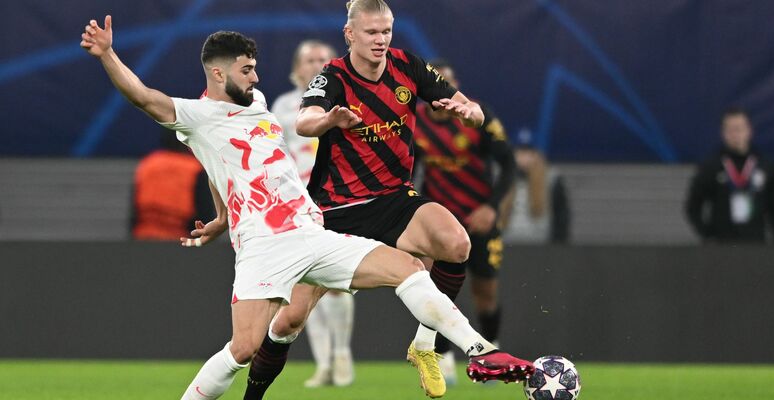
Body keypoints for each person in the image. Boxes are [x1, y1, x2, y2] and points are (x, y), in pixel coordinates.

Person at [80, 15, 532, 400]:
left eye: (255, 69)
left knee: (411, 269)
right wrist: (106, 55)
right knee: (243, 348)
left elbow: (228, 165)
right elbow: (142, 95)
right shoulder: (195, 116)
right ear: (218, 74)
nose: (256, 78)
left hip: (312, 230)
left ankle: (482, 352)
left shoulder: (254, 103)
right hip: (264, 246)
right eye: (247, 69)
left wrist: (220, 215)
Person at [244, 1, 515, 398]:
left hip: (393, 200)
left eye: (386, 31)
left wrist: (468, 113)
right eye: (372, 32)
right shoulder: (334, 75)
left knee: (456, 244)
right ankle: (252, 396)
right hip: (334, 210)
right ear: (350, 34)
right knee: (289, 322)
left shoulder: (408, 66)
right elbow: (304, 122)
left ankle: (425, 346)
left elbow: (469, 107)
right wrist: (329, 120)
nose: (381, 40)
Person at [411, 60, 515, 385]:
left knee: (485, 293)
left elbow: (508, 163)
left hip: (478, 218)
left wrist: (491, 207)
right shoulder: (413, 121)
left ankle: (491, 353)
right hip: (440, 220)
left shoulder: (477, 115)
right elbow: (408, 168)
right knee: (438, 290)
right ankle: (440, 357)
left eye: (449, 86)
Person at [271, 40, 356, 388]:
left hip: (338, 199)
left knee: (334, 284)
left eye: (324, 58)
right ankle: (323, 364)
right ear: (297, 68)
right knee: (303, 285)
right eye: (310, 59)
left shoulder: (347, 98)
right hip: (298, 205)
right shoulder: (283, 106)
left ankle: (342, 354)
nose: (318, 64)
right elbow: (274, 155)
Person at [685, 107, 774, 243]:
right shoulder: (711, 166)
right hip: (722, 245)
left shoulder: (765, 165)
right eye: (730, 130)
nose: (735, 134)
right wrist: (707, 234)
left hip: (756, 245)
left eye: (739, 128)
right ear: (723, 133)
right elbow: (692, 206)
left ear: (749, 130)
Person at [130, 129, 216, 240]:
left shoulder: (148, 164)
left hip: (143, 239)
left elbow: (135, 211)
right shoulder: (194, 169)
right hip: (179, 242)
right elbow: (205, 215)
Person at [502, 142, 570, 244]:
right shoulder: (501, 179)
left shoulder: (551, 179)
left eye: (530, 154)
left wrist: (558, 249)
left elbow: (561, 218)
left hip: (540, 248)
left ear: (537, 155)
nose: (524, 159)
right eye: (520, 153)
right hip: (508, 246)